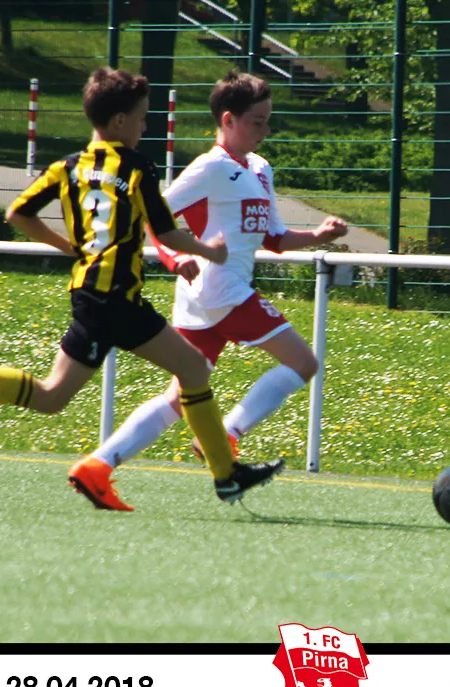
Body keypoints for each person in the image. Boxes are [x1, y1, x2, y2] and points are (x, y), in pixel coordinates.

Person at [0, 66, 284, 509]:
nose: (144, 127)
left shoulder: (67, 167)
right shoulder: (137, 168)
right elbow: (167, 232)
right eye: (142, 118)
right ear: (120, 121)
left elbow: (17, 214)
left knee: (52, 396)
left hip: (88, 295)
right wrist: (210, 251)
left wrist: (70, 248)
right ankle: (226, 474)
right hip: (119, 299)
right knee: (193, 369)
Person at [74, 71, 347, 485]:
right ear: (228, 120)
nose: (265, 131)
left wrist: (317, 236)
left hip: (203, 297)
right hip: (222, 289)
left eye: (268, 121)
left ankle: (98, 466)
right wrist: (174, 258)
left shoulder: (260, 169)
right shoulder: (210, 167)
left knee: (179, 397)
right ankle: (226, 436)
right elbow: (151, 214)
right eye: (257, 122)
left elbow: (273, 237)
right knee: (304, 362)